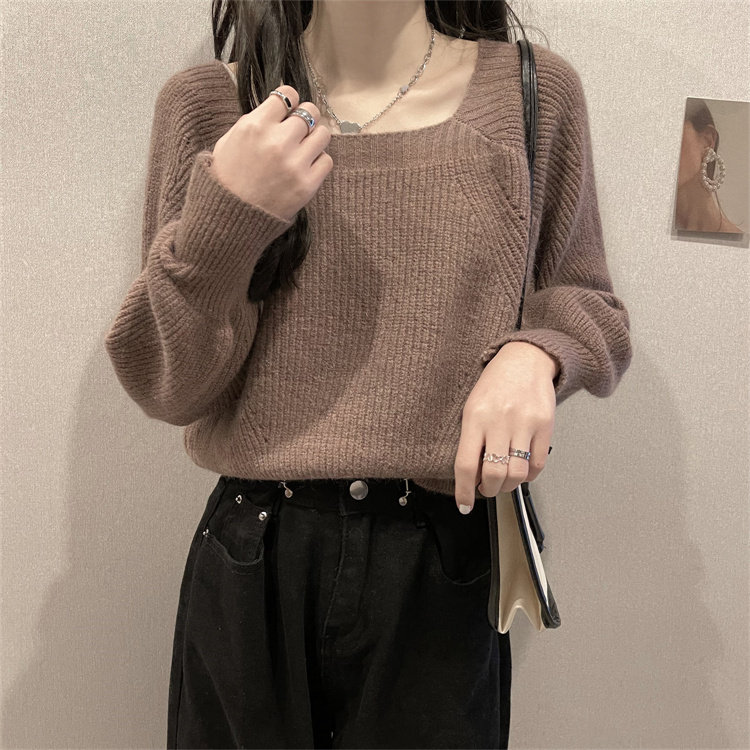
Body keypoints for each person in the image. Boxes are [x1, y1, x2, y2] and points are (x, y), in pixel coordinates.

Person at [104, 1, 633, 747]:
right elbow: (168, 382)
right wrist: (229, 216)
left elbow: (584, 298)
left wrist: (535, 354)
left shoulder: (531, 93)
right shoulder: (214, 105)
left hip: (440, 555)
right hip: (257, 555)